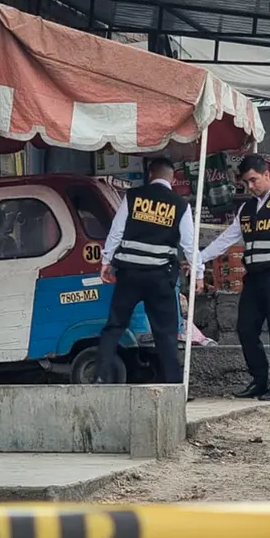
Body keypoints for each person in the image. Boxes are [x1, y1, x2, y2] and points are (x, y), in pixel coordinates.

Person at [197, 155, 270, 400]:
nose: (251, 186)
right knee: (245, 328)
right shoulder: (246, 208)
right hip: (253, 276)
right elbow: (227, 239)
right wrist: (199, 258)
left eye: (254, 180)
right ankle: (259, 380)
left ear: (268, 174)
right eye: (247, 182)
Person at [96, 157, 202, 384]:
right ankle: (172, 384)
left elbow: (116, 231)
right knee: (165, 332)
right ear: (172, 179)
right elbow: (189, 244)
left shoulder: (133, 197)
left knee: (115, 325)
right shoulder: (180, 204)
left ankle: (100, 377)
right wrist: (199, 274)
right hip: (160, 277)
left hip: (130, 275)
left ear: (150, 175)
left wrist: (106, 261)